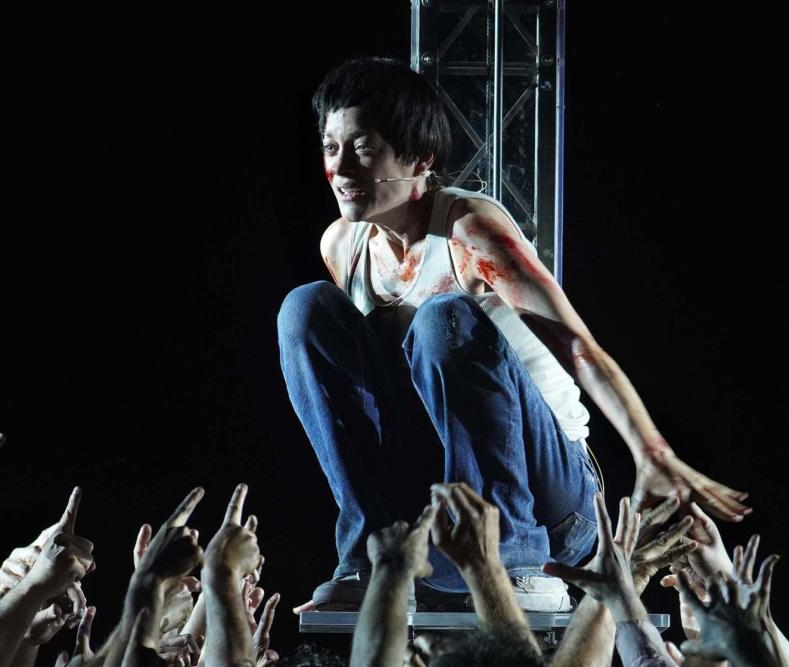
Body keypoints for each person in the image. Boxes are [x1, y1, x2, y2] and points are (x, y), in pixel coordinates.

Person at [279, 57, 749, 610]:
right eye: (331, 149)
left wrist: (652, 451)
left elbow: (576, 344)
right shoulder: (343, 245)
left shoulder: (467, 229)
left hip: (551, 501)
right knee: (303, 309)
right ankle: (373, 551)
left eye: (362, 149)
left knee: (443, 320)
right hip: (446, 494)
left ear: (420, 159)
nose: (341, 171)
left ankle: (516, 556)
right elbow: (362, 401)